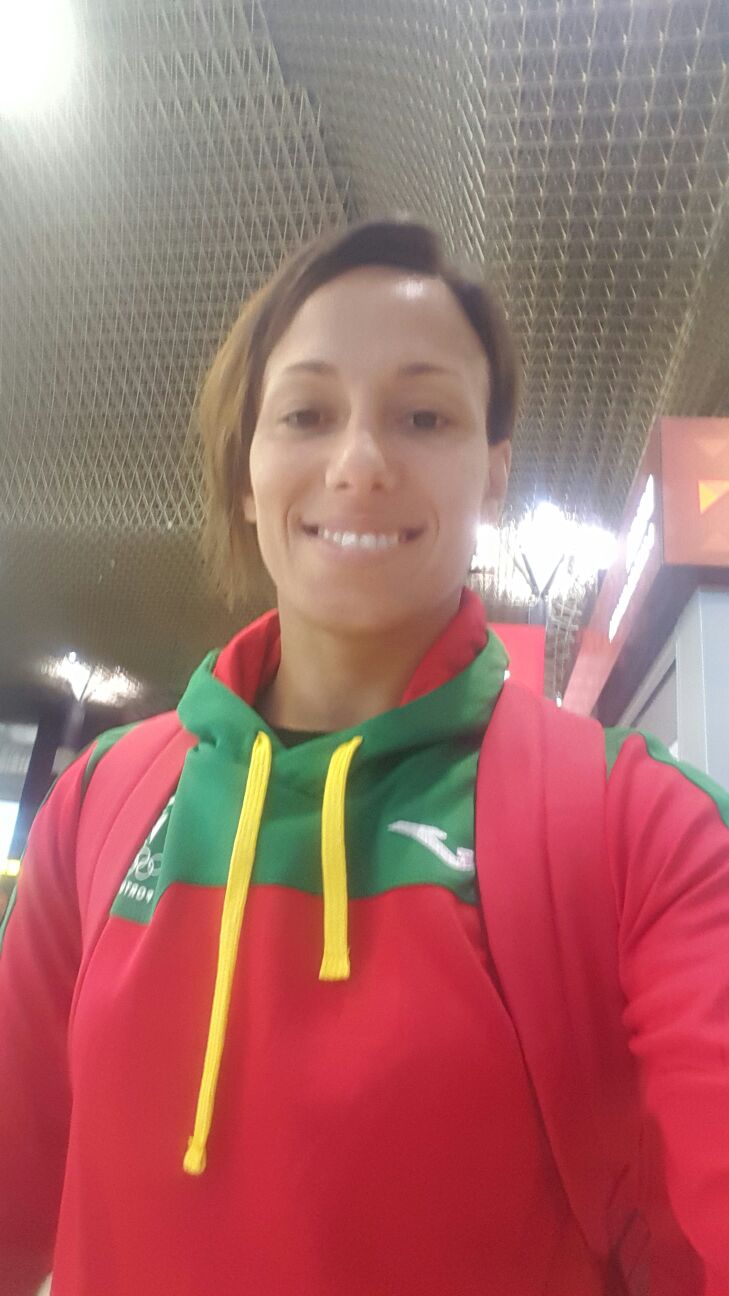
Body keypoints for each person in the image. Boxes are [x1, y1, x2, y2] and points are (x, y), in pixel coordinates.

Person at [1, 218, 728, 1296]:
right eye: (305, 414)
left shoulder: (640, 825)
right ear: (247, 475)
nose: (360, 464)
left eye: (423, 416)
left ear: (492, 474)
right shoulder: (102, 802)